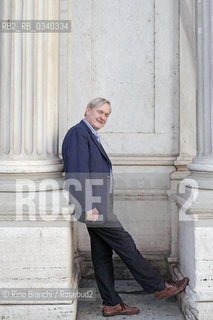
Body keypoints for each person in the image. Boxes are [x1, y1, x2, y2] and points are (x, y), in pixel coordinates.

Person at [62, 97, 189, 317]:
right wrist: (88, 206)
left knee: (102, 254)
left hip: (99, 206)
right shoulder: (78, 134)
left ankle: (111, 303)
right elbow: (77, 173)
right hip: (95, 208)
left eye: (107, 114)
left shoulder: (89, 135)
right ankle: (159, 287)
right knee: (125, 243)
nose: (103, 117)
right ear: (88, 110)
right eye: (100, 112)